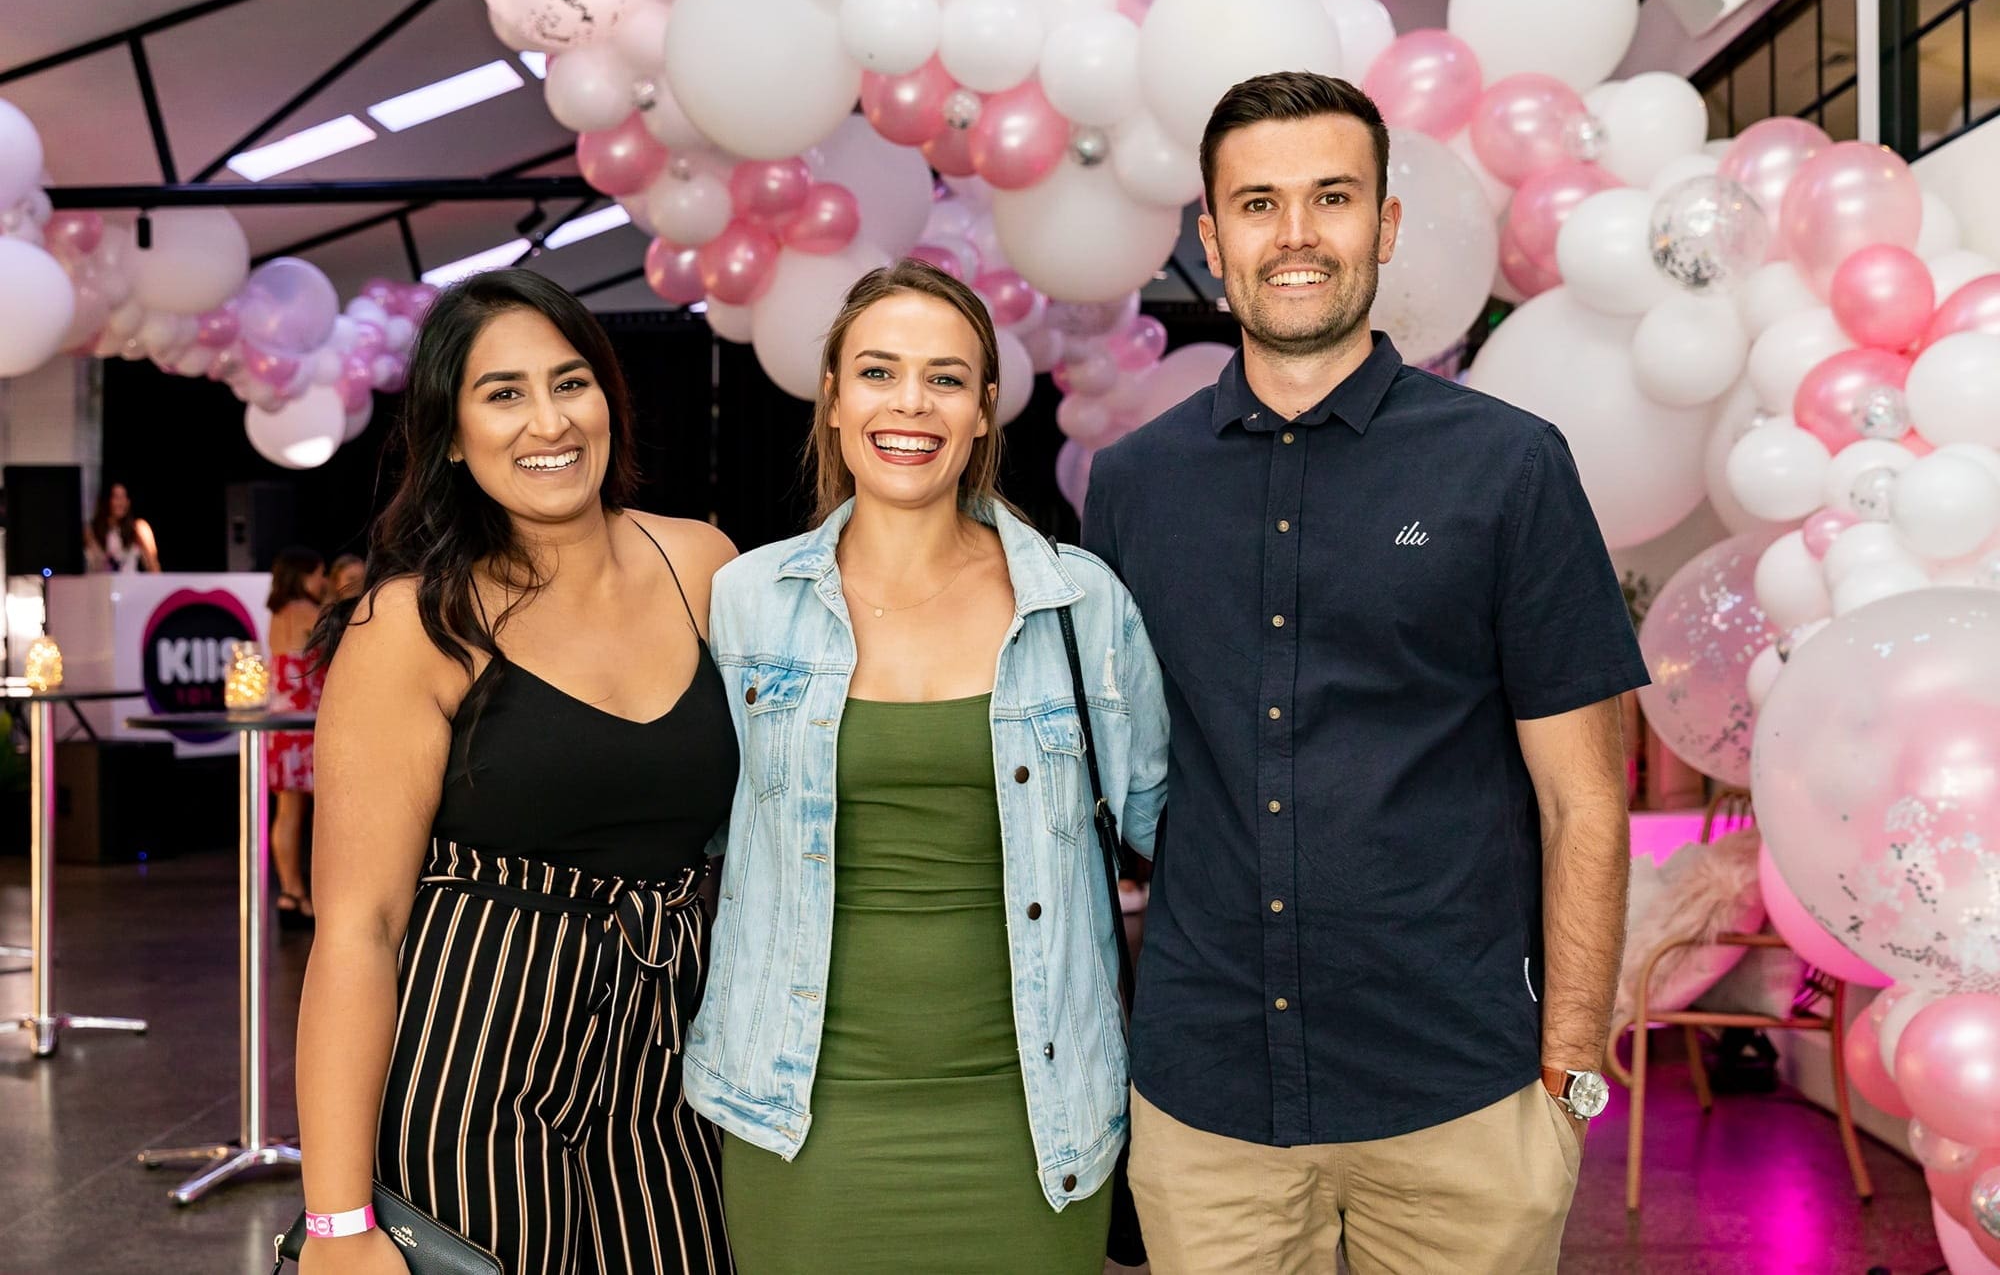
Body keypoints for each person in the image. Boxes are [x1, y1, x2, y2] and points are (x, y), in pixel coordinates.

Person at [1081, 71, 1650, 1274]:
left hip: (1458, 1091)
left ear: (1384, 226)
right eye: (1257, 203)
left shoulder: (1506, 469)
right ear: (1210, 238)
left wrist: (1570, 1055)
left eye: (1330, 198)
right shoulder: (1133, 486)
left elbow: (1584, 797)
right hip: (1208, 1101)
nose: (1294, 235)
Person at [684, 259, 1169, 1272]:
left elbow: (1179, 838)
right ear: (830, 397)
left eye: (945, 378)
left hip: (1036, 1123)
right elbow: (685, 834)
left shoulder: (1078, 605)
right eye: (877, 371)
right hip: (799, 1120)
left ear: (986, 411)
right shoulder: (744, 604)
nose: (910, 403)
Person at [293, 268, 738, 1275]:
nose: (550, 420)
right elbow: (357, 932)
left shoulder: (704, 565)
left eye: (569, 381)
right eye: (503, 393)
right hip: (476, 1057)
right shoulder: (411, 626)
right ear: (450, 434)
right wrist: (337, 1223)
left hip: (672, 1051)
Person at [266, 545, 328, 928]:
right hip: (310, 726)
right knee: (328, 814)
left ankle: (291, 892)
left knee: (287, 812)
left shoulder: (276, 615)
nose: (322, 582)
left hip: (280, 725)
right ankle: (322, 899)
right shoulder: (310, 613)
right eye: (319, 574)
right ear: (305, 576)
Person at [83, 481, 160, 571]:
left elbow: (153, 565)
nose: (121, 502)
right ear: (107, 500)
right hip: (100, 583)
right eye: (116, 497)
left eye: (124, 497)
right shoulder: (91, 530)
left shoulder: (138, 528)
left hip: (128, 583)